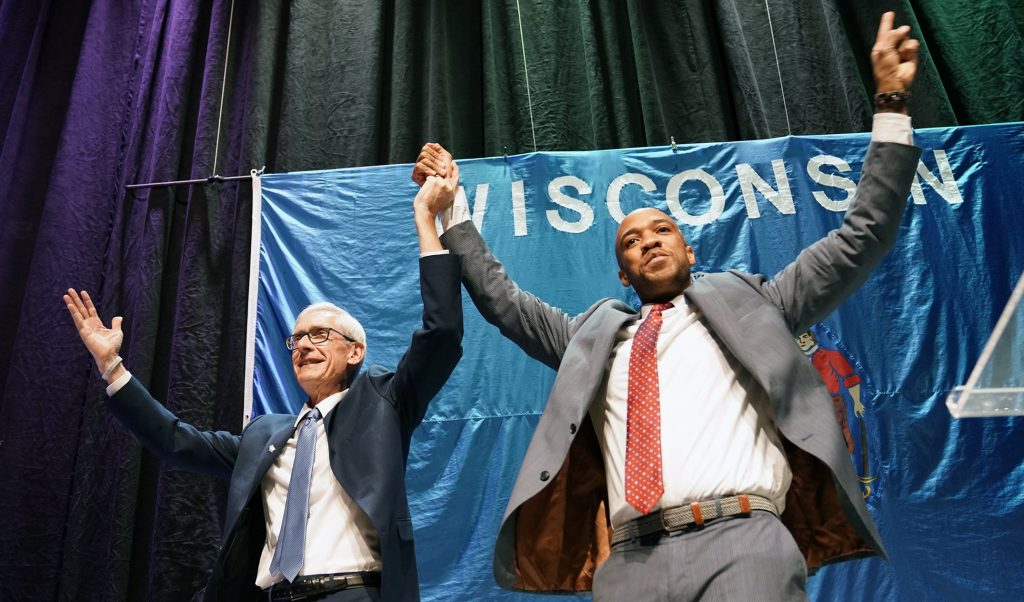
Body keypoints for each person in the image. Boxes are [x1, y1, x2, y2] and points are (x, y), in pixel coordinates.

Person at [413, 11, 920, 601]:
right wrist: (451, 208)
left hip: (743, 542)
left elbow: (863, 233)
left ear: (689, 249)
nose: (649, 241)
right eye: (632, 240)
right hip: (631, 564)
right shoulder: (592, 339)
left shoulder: (760, 304)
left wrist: (890, 102)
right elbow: (502, 300)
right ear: (622, 272)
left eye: (662, 230)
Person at [64, 165, 464, 602]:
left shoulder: (383, 403)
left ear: (355, 352)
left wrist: (426, 219)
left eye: (320, 334)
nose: (303, 345)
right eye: (296, 338)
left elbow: (441, 334)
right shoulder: (264, 436)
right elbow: (174, 441)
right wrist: (111, 366)